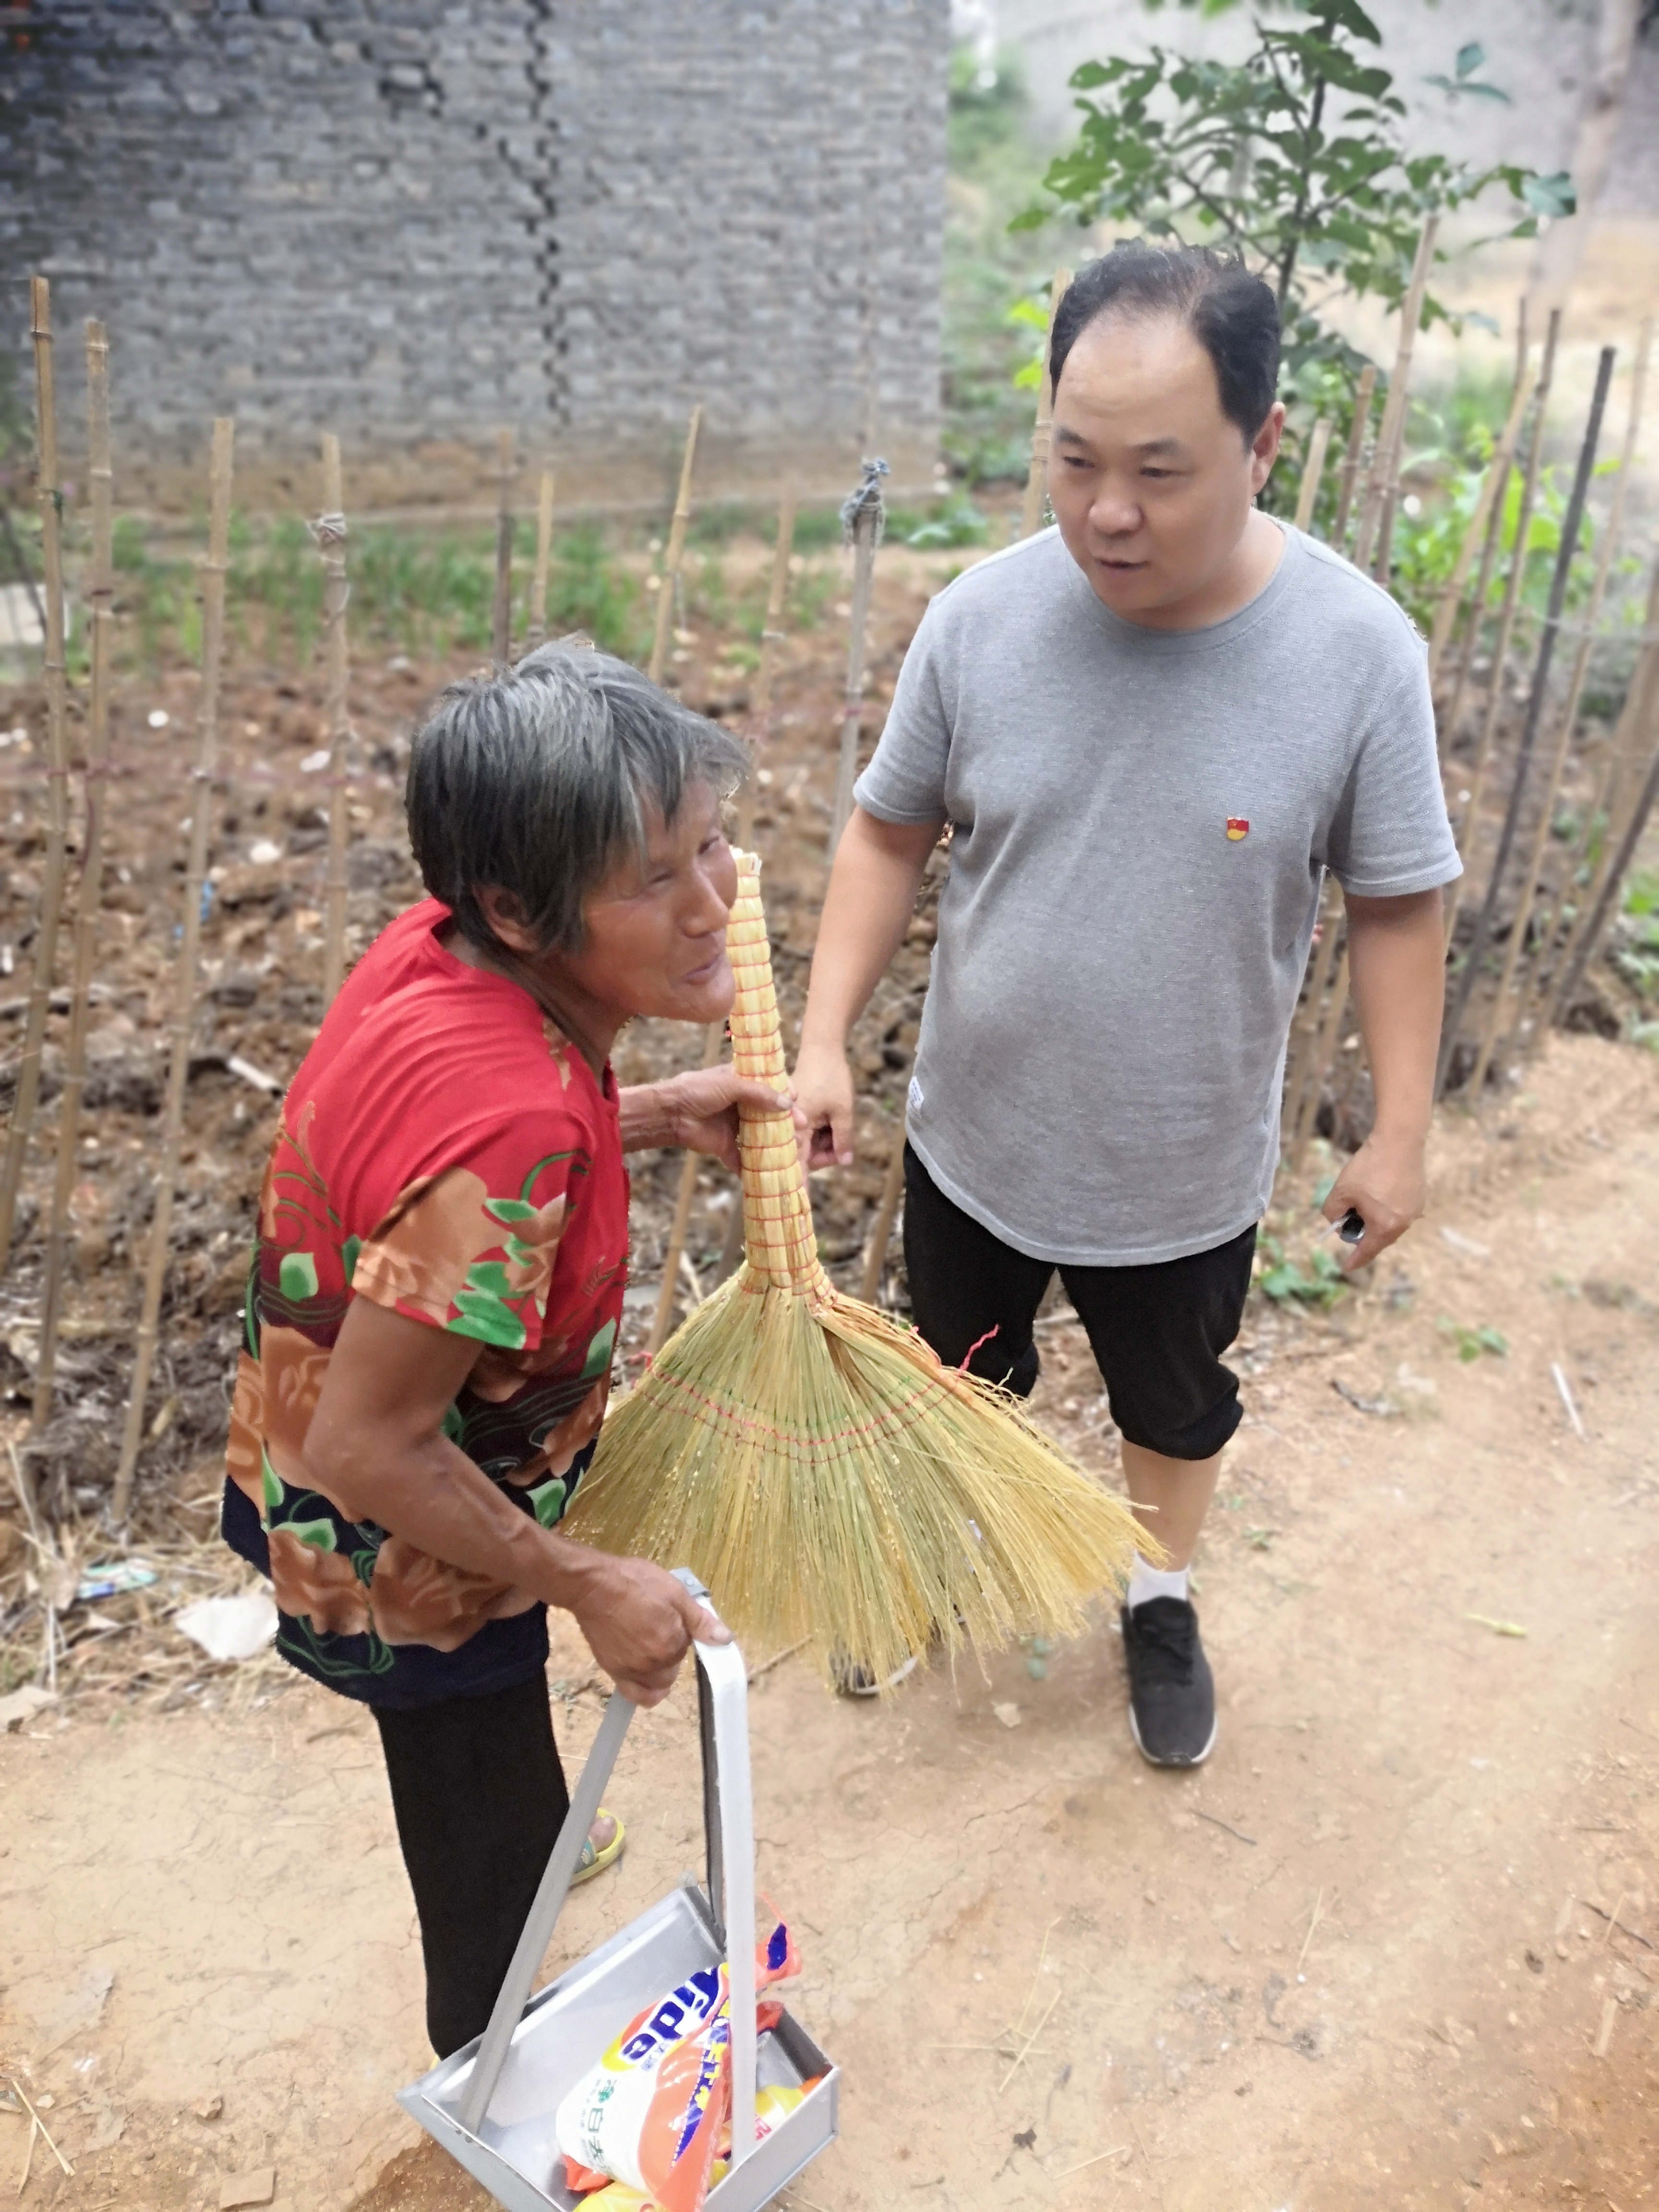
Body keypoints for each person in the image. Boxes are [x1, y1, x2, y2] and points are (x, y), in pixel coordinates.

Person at [793, 244, 1458, 1765]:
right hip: (980, 1135)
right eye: (1075, 458)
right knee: (960, 1376)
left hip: (1183, 1162)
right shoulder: (982, 620)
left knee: (1175, 1409)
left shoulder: (1357, 656)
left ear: (1265, 442)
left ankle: (1158, 1600)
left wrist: (1401, 1129)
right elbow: (888, 832)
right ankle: (943, 1554)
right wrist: (826, 1034)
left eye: (1159, 471)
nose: (1106, 509)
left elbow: (1401, 899)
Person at [219, 644, 794, 2058]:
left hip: (338, 1445)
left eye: (711, 842)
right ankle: (493, 2072)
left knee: (497, 1789)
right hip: (398, 1547)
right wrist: (592, 1582)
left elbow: (430, 1182)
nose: (715, 900)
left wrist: (643, 1112)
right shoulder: (510, 1131)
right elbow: (374, 1446)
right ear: (518, 906)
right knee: (499, 1849)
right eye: (654, 878)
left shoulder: (445, 956)